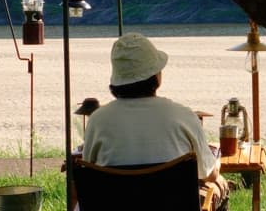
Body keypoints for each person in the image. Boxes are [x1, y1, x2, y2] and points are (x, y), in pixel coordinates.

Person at [82, 32, 230, 210]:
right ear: (156, 77)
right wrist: (217, 164)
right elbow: (208, 173)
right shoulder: (182, 115)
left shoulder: (97, 120)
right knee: (220, 185)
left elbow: (89, 169)